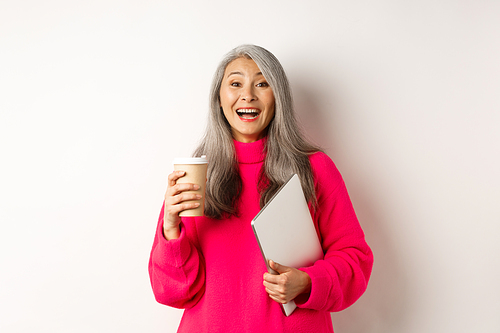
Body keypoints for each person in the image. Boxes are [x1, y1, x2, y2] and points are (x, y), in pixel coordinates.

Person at [148, 44, 373, 332]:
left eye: (262, 83)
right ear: (219, 98)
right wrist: (171, 227)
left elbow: (356, 260)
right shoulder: (195, 176)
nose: (248, 95)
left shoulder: (314, 168)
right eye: (236, 83)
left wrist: (308, 282)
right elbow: (173, 292)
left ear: (278, 97)